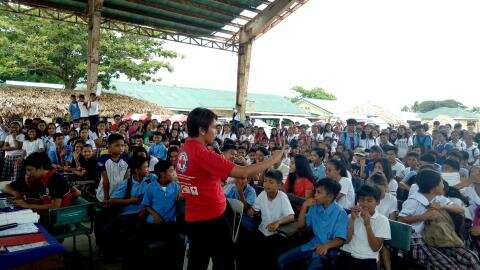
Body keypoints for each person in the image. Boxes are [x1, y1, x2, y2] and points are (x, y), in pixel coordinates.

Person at [176, 107, 285, 270]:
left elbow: (201, 177)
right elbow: (244, 172)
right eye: (214, 127)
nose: (216, 131)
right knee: (224, 260)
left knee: (198, 259)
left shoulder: (184, 150)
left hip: (194, 215)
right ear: (202, 130)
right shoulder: (203, 154)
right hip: (212, 218)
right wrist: (272, 160)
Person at [398, 169, 480, 269]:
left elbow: (460, 209)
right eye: (441, 182)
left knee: (471, 258)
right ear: (432, 189)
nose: (444, 185)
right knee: (450, 267)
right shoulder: (413, 201)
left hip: (439, 239)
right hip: (419, 243)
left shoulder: (438, 198)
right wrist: (424, 217)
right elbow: (401, 219)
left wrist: (443, 206)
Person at [278, 178, 347, 270]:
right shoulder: (315, 207)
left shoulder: (340, 213)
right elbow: (301, 225)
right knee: (281, 261)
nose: (315, 195)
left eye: (319, 192)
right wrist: (304, 206)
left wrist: (325, 246)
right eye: (316, 191)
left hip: (328, 250)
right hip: (312, 245)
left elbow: (340, 239)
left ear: (330, 197)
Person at [247, 170, 295, 269]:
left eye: (271, 182)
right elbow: (255, 209)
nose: (266, 184)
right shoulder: (262, 194)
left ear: (279, 185)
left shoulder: (282, 197)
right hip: (262, 230)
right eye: (265, 181)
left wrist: (278, 222)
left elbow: (291, 216)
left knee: (269, 258)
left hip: (277, 233)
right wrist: (251, 211)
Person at [339, 185, 391, 270]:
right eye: (362, 200)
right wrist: (352, 220)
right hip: (347, 253)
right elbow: (346, 241)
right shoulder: (351, 216)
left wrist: (367, 224)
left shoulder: (382, 221)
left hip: (367, 258)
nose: (365, 204)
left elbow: (375, 248)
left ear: (377, 202)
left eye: (369, 201)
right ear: (358, 200)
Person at [5, 152, 73, 211]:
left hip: (57, 219)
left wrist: (27, 205)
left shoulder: (56, 179)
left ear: (40, 168)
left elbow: (55, 206)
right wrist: (18, 195)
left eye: (30, 170)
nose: (28, 173)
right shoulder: (40, 178)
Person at [96, 133, 130, 202]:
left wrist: (125, 193)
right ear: (109, 147)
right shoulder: (103, 159)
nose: (121, 148)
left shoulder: (126, 158)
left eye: (122, 145)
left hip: (120, 194)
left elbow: (126, 178)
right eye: (117, 145)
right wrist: (106, 197)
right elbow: (105, 180)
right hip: (104, 194)